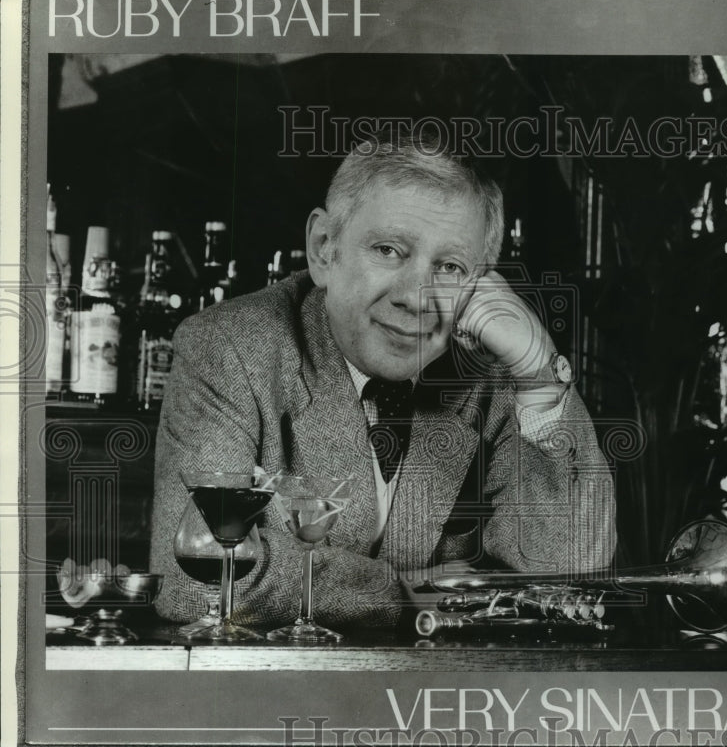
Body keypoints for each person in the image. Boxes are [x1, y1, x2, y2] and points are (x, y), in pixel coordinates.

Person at [150, 129, 616, 630]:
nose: (415, 297)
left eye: (450, 267)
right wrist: (406, 594)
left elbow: (570, 581)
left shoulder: (497, 376)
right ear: (324, 249)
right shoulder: (229, 348)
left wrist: (540, 375)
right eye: (389, 250)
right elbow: (197, 581)